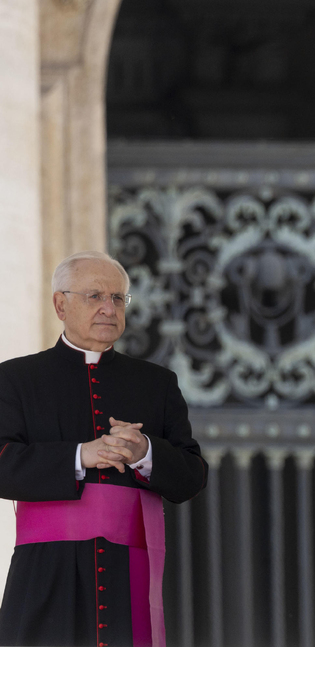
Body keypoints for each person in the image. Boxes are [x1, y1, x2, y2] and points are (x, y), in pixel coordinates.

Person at [0, 251, 207, 646]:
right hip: (44, 573)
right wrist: (81, 455)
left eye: (117, 299)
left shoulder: (156, 383)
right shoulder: (15, 379)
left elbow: (192, 475)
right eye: (95, 296)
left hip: (129, 574)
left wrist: (145, 452)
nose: (108, 309)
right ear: (61, 304)